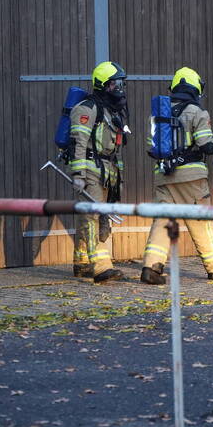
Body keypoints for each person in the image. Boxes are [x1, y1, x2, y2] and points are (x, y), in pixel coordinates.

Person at [140, 67, 213, 285]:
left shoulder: (159, 114)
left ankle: (151, 268)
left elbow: (151, 147)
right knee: (201, 221)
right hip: (191, 178)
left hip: (164, 176)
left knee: (163, 221)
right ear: (195, 89)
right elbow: (205, 145)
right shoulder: (197, 112)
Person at [69, 61, 129, 283]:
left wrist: (118, 179)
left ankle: (82, 262)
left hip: (107, 170)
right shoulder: (87, 108)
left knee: (92, 215)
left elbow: (115, 147)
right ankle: (100, 267)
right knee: (93, 216)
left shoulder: (112, 111)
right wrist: (78, 175)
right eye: (116, 83)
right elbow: (78, 143)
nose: (120, 88)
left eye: (121, 83)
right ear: (104, 85)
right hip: (90, 167)